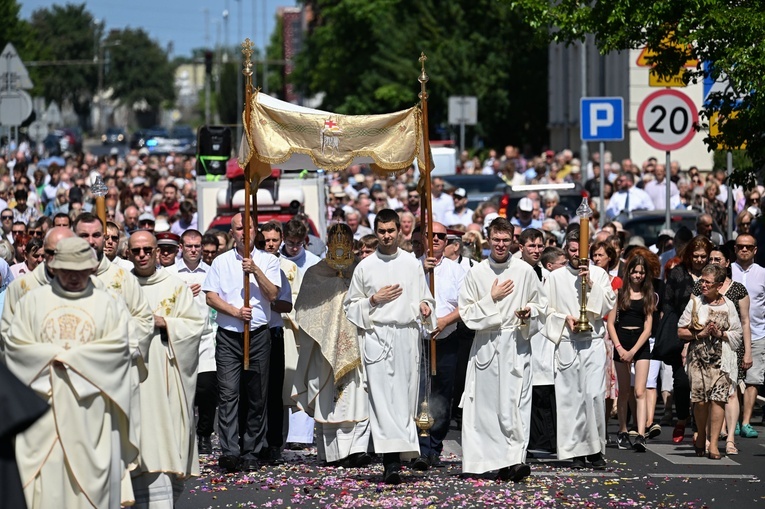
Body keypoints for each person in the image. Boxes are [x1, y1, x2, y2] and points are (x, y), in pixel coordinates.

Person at [6, 237, 138, 509]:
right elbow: (15, 348)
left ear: (91, 269)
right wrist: (54, 360)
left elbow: (119, 350)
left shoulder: (109, 303)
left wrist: (69, 359)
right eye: (68, 271)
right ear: (54, 267)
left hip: (91, 412)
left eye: (81, 271)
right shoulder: (32, 301)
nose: (75, 277)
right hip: (43, 410)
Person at [343, 208, 435, 484]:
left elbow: (426, 298)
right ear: (376, 231)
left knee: (404, 400)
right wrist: (373, 300)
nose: (386, 236)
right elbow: (350, 307)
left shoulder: (411, 263)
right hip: (378, 335)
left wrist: (424, 308)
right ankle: (390, 462)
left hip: (406, 336)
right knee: (382, 401)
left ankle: (399, 455)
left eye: (390, 231)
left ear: (398, 231)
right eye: (381, 231)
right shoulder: (365, 266)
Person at [458, 218, 546, 481]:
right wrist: (491, 299)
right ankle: (485, 459)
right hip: (487, 342)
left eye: (506, 240)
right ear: (488, 239)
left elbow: (540, 305)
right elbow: (466, 313)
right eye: (496, 239)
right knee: (485, 407)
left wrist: (529, 311)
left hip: (516, 342)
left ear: (513, 241)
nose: (500, 245)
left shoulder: (525, 271)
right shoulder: (477, 273)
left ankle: (515, 460)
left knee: (515, 404)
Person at [128, 231, 204, 507]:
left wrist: (165, 323)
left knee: (163, 437)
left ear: (157, 251)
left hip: (164, 374)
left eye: (147, 250)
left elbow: (196, 326)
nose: (142, 255)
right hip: (130, 377)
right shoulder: (119, 285)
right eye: (136, 251)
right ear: (129, 253)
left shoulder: (174, 286)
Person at [202, 213, 280, 473]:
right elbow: (211, 297)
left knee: (257, 395)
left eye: (248, 227)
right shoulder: (221, 262)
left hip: (258, 335)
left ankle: (251, 450)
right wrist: (235, 312)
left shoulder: (268, 260)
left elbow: (272, 294)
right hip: (229, 336)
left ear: (255, 230)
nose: (243, 233)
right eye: (238, 228)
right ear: (232, 233)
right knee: (228, 394)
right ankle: (229, 451)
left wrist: (254, 270)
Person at [292, 223, 372, 467]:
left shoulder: (361, 270)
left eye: (345, 241)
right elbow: (304, 309)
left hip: (357, 344)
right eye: (336, 241)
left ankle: (358, 450)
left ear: (352, 244)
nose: (340, 246)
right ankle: (332, 453)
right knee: (330, 402)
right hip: (325, 348)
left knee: (359, 399)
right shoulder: (316, 273)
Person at [543, 229, 616, 469]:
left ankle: (594, 450)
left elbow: (607, 305)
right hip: (567, 342)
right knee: (570, 398)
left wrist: (591, 285)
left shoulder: (599, 274)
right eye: (572, 250)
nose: (576, 255)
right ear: (566, 250)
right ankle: (573, 451)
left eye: (580, 251)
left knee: (593, 395)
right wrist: (565, 318)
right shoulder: (554, 277)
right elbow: (546, 311)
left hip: (593, 340)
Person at [412, 221, 466, 471]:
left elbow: (466, 305)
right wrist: (419, 270)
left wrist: (444, 321)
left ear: (447, 241)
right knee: (419, 394)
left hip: (446, 338)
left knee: (443, 395)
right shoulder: (410, 266)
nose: (435, 239)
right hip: (417, 341)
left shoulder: (458, 270)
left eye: (440, 236)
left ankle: (434, 445)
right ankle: (419, 447)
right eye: (429, 235)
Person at [678, 264, 743, 459]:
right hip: (698, 360)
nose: (703, 285)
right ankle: (701, 434)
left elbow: (737, 334)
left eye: (707, 282)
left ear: (719, 285)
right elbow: (681, 331)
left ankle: (713, 444)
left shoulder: (729, 305)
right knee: (700, 401)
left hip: (722, 361)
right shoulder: (696, 303)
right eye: (702, 281)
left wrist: (721, 333)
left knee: (718, 400)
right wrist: (700, 333)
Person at [693, 246, 752, 454]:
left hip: (730, 345)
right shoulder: (701, 288)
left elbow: (745, 322)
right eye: (711, 258)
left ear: (727, 263)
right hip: (703, 350)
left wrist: (747, 351)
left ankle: (730, 440)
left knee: (731, 392)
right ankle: (711, 437)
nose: (714, 261)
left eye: (718, 259)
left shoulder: (737, 290)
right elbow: (690, 318)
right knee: (709, 396)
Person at [657, 235, 714, 444]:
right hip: (681, 332)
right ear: (689, 255)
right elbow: (668, 303)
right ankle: (682, 418)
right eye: (695, 256)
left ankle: (698, 427)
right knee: (681, 382)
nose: (699, 260)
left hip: (707, 335)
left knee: (703, 383)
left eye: (703, 257)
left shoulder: (712, 275)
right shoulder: (678, 273)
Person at [166, 229, 218, 456]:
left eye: (197, 246)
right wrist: (181, 294)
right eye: (189, 246)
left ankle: (204, 433)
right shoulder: (169, 274)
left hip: (206, 337)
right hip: (179, 337)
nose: (194, 250)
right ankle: (183, 434)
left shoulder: (211, 271)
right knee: (181, 389)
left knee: (206, 388)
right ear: (181, 247)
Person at [607, 254, 656, 452]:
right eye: (635, 272)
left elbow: (648, 328)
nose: (638, 275)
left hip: (640, 344)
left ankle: (641, 433)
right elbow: (611, 323)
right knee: (624, 391)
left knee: (640, 390)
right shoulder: (619, 293)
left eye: (641, 272)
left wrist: (634, 351)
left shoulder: (648, 295)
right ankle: (623, 430)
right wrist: (620, 348)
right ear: (629, 273)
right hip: (622, 341)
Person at [280, 219, 320, 448]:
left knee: (305, 378)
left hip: (306, 328)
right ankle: (283, 434)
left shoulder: (314, 263)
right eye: (290, 242)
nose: (294, 247)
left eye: (298, 243)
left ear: (305, 241)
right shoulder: (274, 262)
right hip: (284, 328)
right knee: (284, 380)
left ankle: (301, 435)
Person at [259, 221, 297, 463]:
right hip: (251, 332)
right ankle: (253, 441)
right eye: (266, 241)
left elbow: (286, 303)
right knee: (253, 392)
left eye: (274, 240)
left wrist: (267, 302)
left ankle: (274, 444)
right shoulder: (251, 264)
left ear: (281, 239)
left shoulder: (286, 268)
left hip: (274, 331)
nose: (270, 244)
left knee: (274, 391)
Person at [731, 234, 764, 440]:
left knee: (753, 379)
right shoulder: (727, 271)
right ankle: (732, 419)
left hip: (758, 332)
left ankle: (746, 421)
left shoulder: (762, 273)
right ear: (735, 249)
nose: (744, 250)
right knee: (732, 378)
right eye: (741, 247)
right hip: (732, 333)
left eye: (748, 247)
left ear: (755, 250)